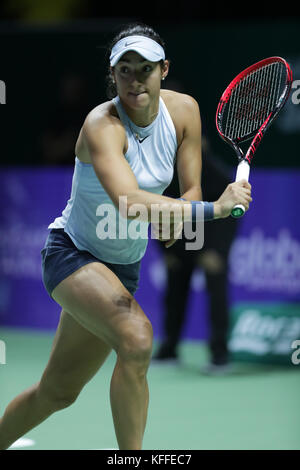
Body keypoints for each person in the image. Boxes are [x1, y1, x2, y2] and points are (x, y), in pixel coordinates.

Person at [0, 23, 252, 451]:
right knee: (137, 339)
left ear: (164, 70)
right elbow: (130, 202)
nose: (135, 80)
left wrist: (181, 221)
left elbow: (187, 188)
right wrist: (215, 209)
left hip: (121, 268)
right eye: (125, 70)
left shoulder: (185, 111)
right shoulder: (102, 125)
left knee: (58, 392)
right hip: (73, 255)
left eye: (145, 69)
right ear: (112, 75)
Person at [153, 136, 239, 374]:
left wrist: (216, 252)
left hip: (211, 243)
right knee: (174, 294)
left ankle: (219, 356)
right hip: (180, 243)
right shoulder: (169, 175)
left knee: (217, 291)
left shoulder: (219, 175)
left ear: (204, 145)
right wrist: (165, 249)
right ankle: (169, 350)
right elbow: (159, 209)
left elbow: (229, 215)